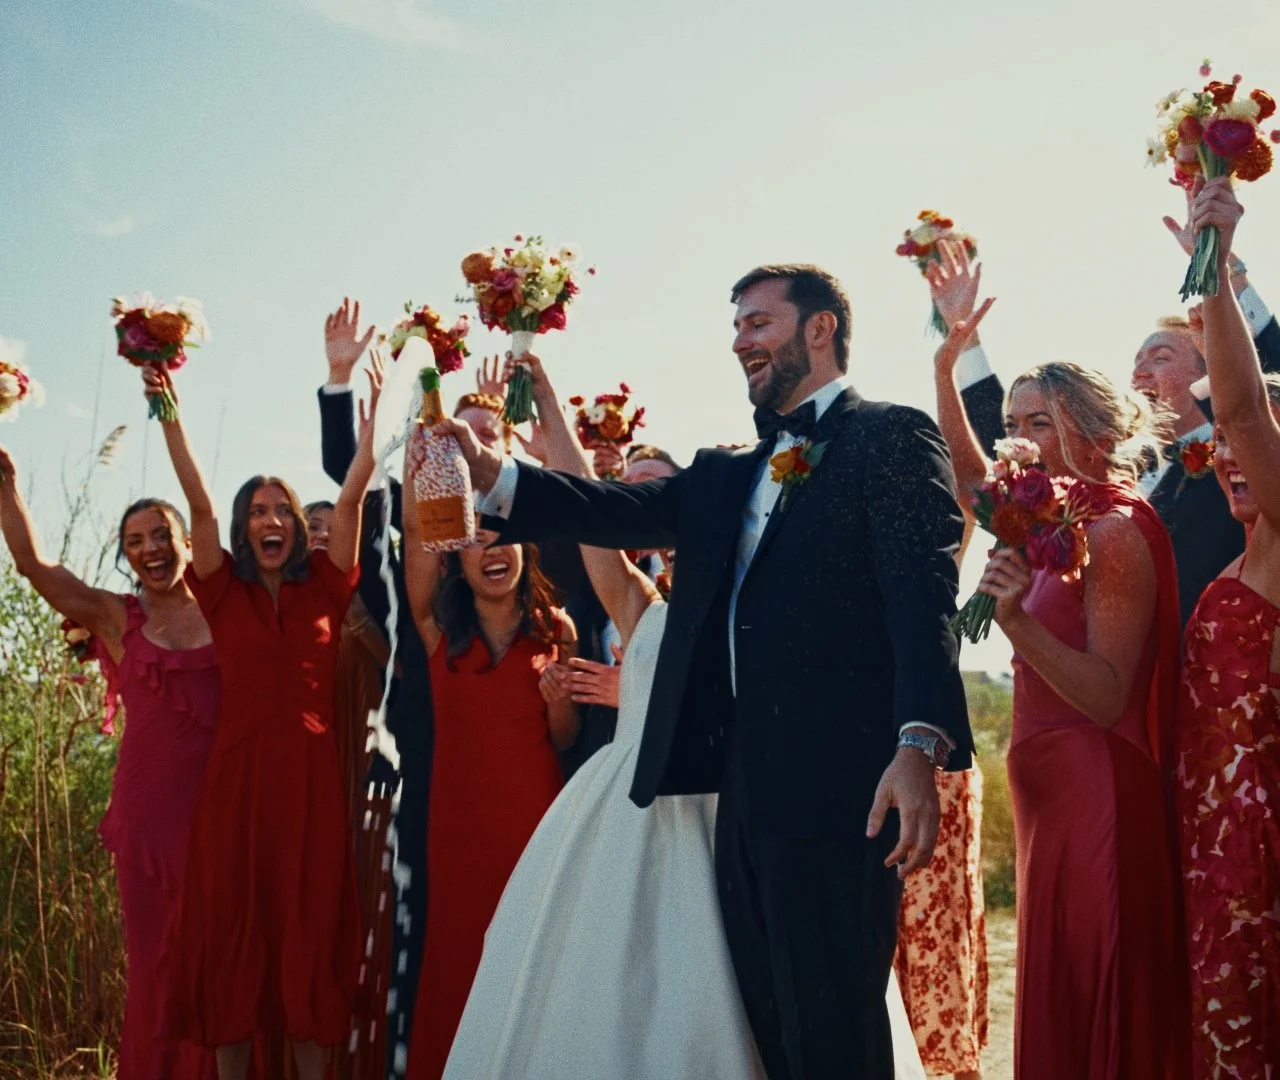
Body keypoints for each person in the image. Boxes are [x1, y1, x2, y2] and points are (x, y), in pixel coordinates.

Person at [440, 263, 974, 1079]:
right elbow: (616, 511)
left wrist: (918, 745)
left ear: (820, 328)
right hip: (739, 798)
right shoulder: (732, 473)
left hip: (842, 794)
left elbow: (923, 595)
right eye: (736, 328)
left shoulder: (891, 437)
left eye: (758, 323)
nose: (741, 342)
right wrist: (496, 476)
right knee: (771, 1028)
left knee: (835, 1028)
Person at [932, 295, 1189, 1078]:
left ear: (1096, 431)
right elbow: (972, 469)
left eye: (1039, 421)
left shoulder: (1115, 531)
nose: (1020, 439)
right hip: (1044, 787)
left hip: (1098, 786)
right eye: (1016, 421)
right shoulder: (1047, 523)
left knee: (1102, 992)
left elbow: (1110, 696)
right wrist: (945, 367)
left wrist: (1014, 624)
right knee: (1062, 994)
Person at [155, 361, 378, 1080]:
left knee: (309, 939)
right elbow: (194, 503)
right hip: (238, 792)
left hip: (311, 790)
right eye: (258, 511)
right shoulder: (221, 593)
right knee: (232, 945)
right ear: (243, 529)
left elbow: (349, 505)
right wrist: (169, 410)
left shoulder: (327, 589)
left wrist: (367, 436)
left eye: (281, 509)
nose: (272, 520)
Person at [948, 209, 1280, 627]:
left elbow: (1255, 397)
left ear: (1210, 369)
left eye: (1161, 358)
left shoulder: (1239, 462)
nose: (1140, 370)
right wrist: (962, 336)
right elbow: (1021, 444)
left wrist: (1230, 276)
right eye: (1137, 359)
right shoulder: (1110, 466)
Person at [0, 453, 217, 1080]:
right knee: (156, 967)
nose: (149, 549)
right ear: (126, 557)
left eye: (159, 535)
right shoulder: (120, 618)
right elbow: (34, 567)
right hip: (147, 823)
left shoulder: (228, 612)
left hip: (219, 816)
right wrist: (9, 486)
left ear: (185, 542)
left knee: (216, 961)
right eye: (134, 541)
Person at [401, 425, 578, 1080]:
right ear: (459, 558)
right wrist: (428, 467)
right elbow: (418, 542)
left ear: (527, 548)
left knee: (533, 960)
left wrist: (559, 696)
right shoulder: (437, 629)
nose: (491, 550)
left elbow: (563, 739)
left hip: (535, 826)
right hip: (458, 829)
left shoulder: (556, 628)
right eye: (473, 541)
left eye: (502, 536)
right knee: (460, 961)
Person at [1174, 177, 1280, 1078]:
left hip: (1260, 835)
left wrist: (1216, 271)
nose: (1238, 458)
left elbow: (1240, 411)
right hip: (1204, 834)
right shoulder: (1226, 564)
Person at [318, 297, 434, 1075]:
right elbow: (350, 482)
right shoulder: (399, 519)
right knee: (412, 918)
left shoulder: (519, 528)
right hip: (412, 740)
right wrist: (339, 382)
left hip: (501, 745)